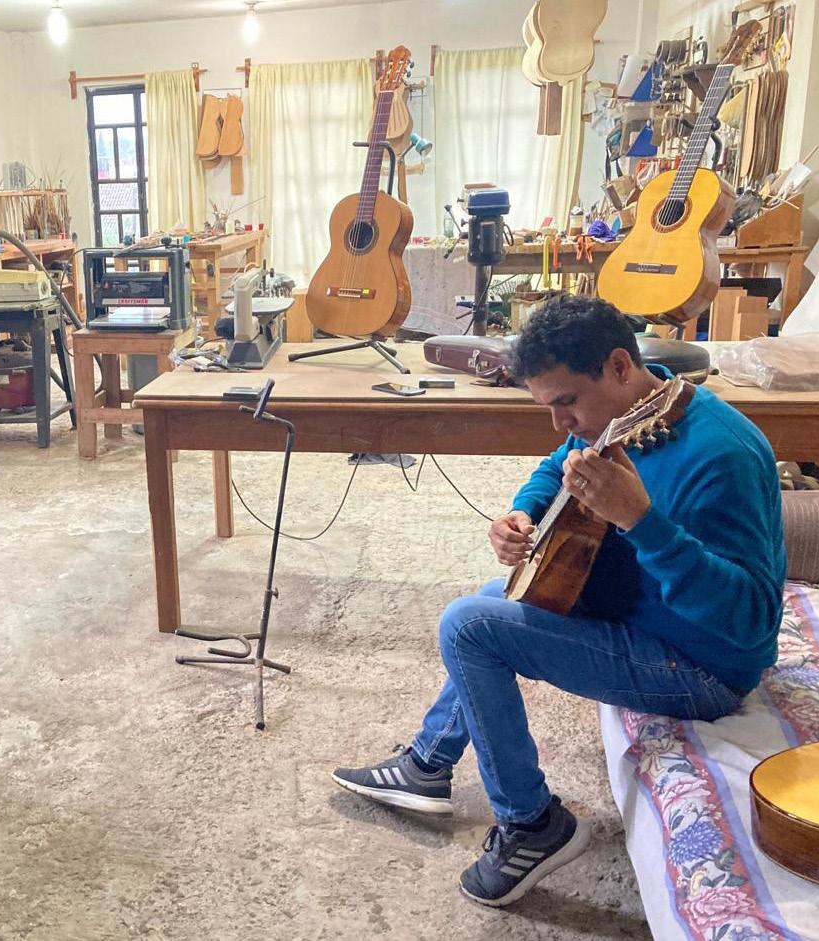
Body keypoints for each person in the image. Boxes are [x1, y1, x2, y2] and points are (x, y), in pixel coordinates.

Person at [331, 294, 785, 907]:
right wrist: (522, 512)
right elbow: (557, 466)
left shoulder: (721, 455)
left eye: (566, 402)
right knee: (493, 603)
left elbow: (752, 623)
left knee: (469, 625)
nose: (558, 423)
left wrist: (641, 522)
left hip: (702, 667)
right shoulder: (628, 413)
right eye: (546, 405)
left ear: (619, 366)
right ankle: (428, 764)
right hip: (638, 613)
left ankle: (532, 825)